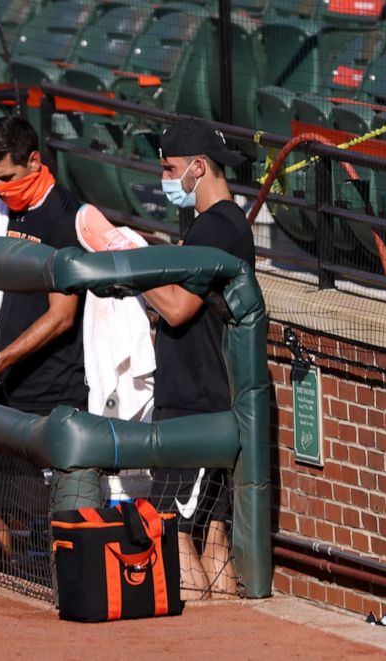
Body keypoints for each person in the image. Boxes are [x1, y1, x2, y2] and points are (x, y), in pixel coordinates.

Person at [0, 116, 89, 562]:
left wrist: (2, 359)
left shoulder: (65, 218)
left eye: (6, 177)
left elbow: (63, 316)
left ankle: (48, 581)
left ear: (34, 161)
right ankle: (13, 576)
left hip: (49, 385)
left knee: (45, 509)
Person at [143, 118, 256, 600]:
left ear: (198, 167)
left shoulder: (214, 226)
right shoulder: (216, 223)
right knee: (211, 531)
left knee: (174, 526)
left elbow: (177, 306)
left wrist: (131, 258)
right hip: (208, 396)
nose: (164, 179)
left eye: (169, 169)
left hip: (197, 401)